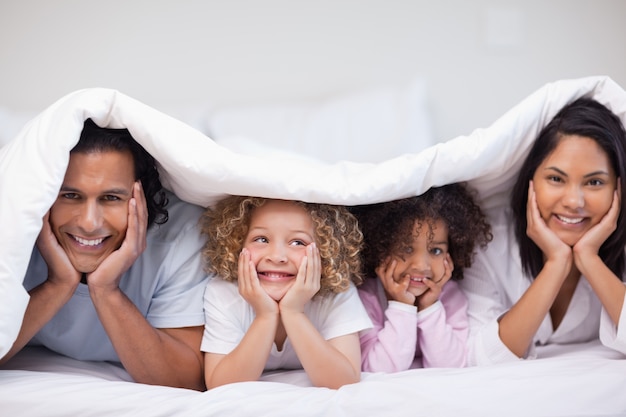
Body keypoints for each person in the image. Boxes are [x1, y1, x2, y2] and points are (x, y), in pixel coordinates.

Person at [0, 119, 207, 390]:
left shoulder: (182, 235)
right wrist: (58, 284)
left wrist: (106, 290)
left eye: (111, 198)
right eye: (71, 195)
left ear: (143, 197)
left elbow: (186, 379)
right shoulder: (13, 227)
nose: (89, 223)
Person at [460, 98, 626, 365]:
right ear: (530, 182)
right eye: (556, 179)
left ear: (618, 188)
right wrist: (556, 264)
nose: (574, 201)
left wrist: (590, 259)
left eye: (595, 182)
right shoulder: (488, 243)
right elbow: (482, 360)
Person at [199, 196, 372, 389]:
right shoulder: (224, 294)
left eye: (298, 242)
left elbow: (344, 381)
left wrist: (293, 312)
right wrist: (265, 316)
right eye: (261, 239)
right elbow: (220, 385)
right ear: (237, 244)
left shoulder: (337, 291)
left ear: (325, 251)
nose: (277, 257)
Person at [352, 184, 492, 371]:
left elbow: (451, 367)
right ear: (381, 249)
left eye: (435, 250)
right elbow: (379, 370)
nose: (422, 265)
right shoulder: (367, 298)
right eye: (407, 249)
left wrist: (429, 308)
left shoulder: (449, 296)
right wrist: (401, 306)